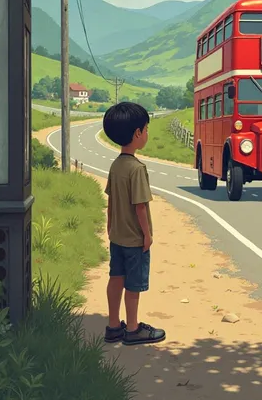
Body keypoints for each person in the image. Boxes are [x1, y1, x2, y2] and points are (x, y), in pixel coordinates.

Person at [102, 102, 166, 346]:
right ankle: (132, 328)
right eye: (146, 129)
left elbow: (110, 201)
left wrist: (110, 226)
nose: (147, 134)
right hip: (134, 240)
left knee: (115, 277)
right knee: (133, 285)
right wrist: (147, 235)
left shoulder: (116, 165)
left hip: (116, 236)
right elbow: (140, 206)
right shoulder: (137, 169)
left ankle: (112, 325)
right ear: (137, 133)